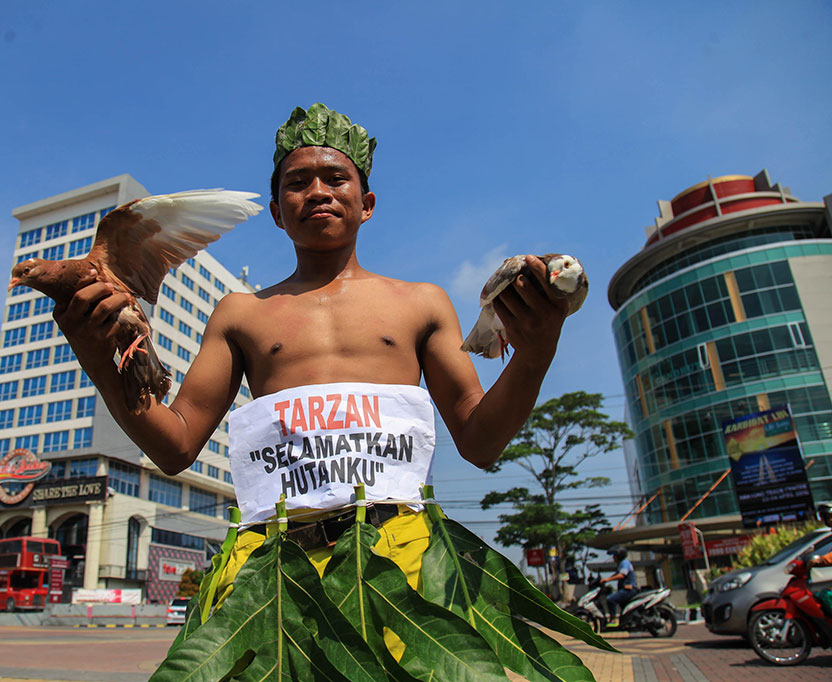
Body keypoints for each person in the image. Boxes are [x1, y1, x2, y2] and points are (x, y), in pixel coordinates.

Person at [54, 104, 571, 664]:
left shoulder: (421, 302)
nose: (318, 191)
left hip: (399, 563)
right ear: (277, 212)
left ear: (367, 204)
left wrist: (536, 348)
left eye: (336, 178)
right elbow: (174, 445)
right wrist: (97, 356)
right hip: (273, 576)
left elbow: (480, 439)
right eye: (298, 183)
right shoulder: (240, 313)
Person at [602, 545, 637, 622]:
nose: (613, 557)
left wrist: (608, 579)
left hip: (628, 590)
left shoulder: (625, 563)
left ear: (619, 555)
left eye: (614, 555)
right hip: (626, 590)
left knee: (610, 599)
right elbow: (616, 574)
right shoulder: (621, 564)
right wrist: (605, 580)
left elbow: (621, 575)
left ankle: (613, 620)